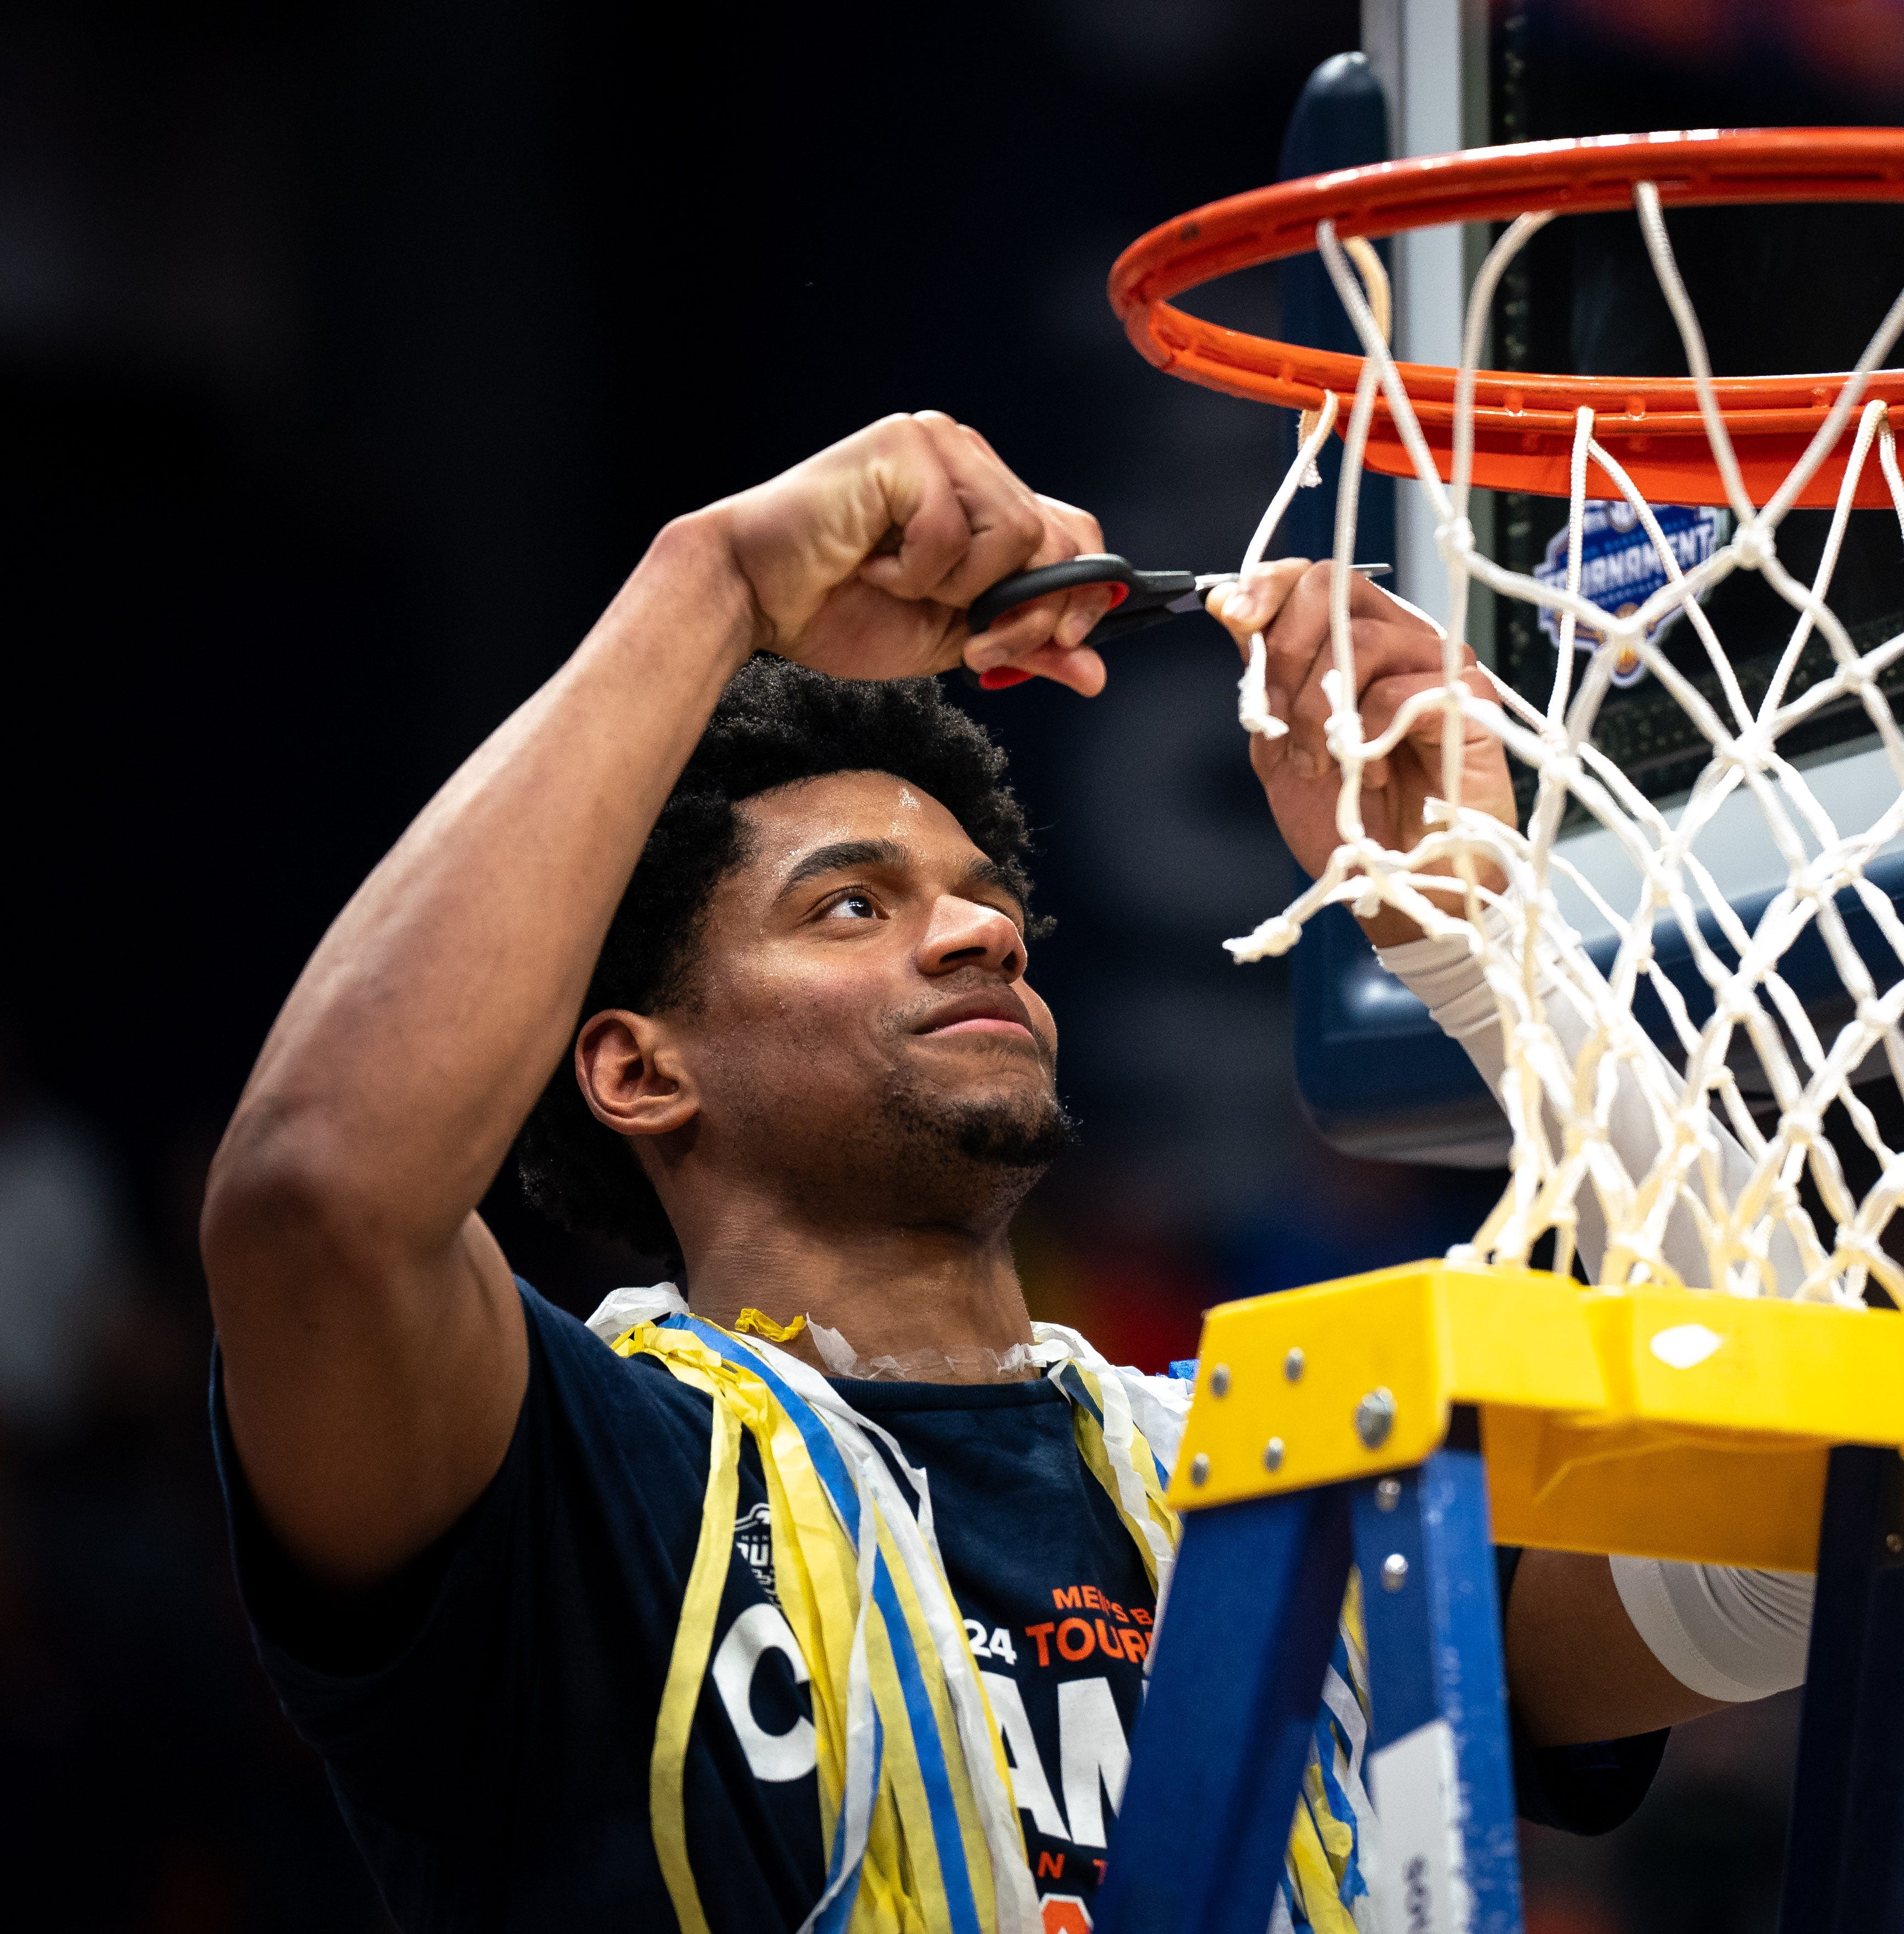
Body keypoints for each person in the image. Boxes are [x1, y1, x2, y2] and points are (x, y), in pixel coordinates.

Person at [200, 414, 1814, 1933]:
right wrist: (717, 585)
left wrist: (1491, 941)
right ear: (636, 1066)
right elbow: (317, 1198)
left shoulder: (1285, 1488)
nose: (983, 929)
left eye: (982, 897)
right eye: (852, 904)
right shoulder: (582, 1475)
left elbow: (1795, 1524)